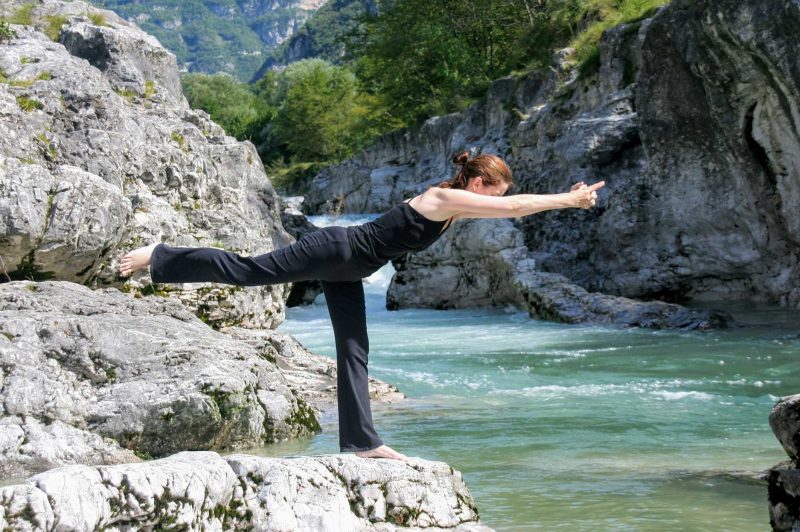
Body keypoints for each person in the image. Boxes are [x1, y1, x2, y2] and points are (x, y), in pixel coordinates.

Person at [118, 151, 605, 461]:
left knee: (354, 352)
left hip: (352, 270)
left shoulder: (453, 209)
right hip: (335, 249)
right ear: (477, 185)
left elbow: (511, 205)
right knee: (249, 271)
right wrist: (568, 198)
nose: (497, 203)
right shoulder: (441, 197)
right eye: (494, 195)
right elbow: (516, 208)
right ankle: (159, 256)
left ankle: (361, 443)